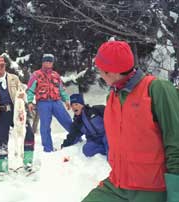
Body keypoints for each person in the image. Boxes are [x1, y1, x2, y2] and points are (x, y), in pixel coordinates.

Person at [82, 40, 179, 202]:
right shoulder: (113, 96)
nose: (99, 73)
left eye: (100, 70)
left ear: (111, 72)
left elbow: (175, 140)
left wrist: (175, 193)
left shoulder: (157, 89)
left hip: (152, 189)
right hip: (118, 186)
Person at [0, 55, 35, 173]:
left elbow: (22, 93)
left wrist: (23, 96)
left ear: (5, 66)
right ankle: (3, 168)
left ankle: (28, 162)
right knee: (2, 141)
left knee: (29, 133)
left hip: (16, 112)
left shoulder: (13, 78)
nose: (0, 70)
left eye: (2, 66)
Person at [27, 54, 72, 152]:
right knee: (45, 126)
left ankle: (77, 139)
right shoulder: (36, 75)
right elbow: (30, 90)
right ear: (42, 62)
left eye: (50, 61)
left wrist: (66, 100)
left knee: (67, 120)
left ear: (52, 63)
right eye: (46, 61)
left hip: (56, 102)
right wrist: (30, 101)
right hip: (43, 103)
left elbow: (61, 90)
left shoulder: (56, 75)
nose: (48, 63)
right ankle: (48, 148)